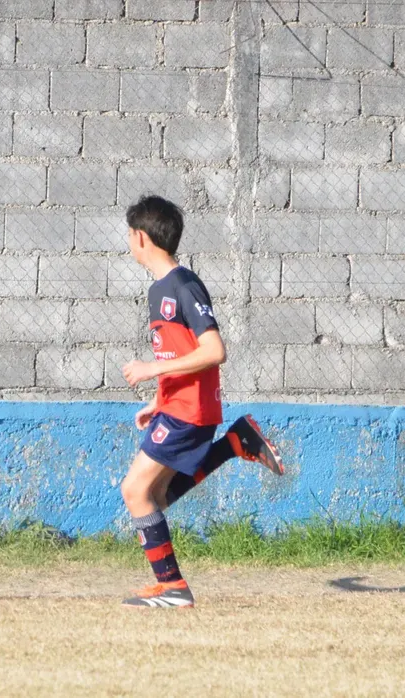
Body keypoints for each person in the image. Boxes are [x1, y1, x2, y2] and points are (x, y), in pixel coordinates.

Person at [118, 195, 283, 609]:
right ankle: (234, 443)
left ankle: (173, 587)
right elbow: (178, 353)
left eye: (129, 234)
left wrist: (151, 370)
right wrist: (157, 400)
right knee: (156, 497)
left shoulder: (183, 285)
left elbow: (213, 350)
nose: (127, 240)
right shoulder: (160, 290)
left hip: (188, 411)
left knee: (135, 490)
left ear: (141, 238)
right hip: (176, 407)